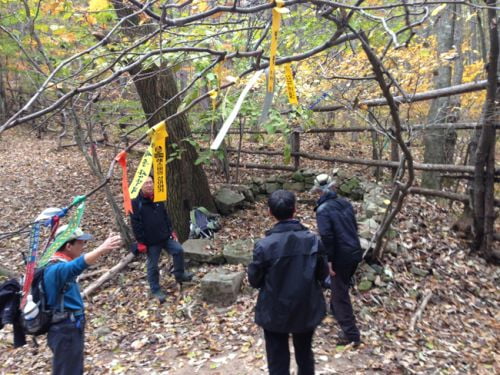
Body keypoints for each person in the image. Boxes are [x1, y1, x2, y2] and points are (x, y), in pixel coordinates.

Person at [248, 190, 328, 375]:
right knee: (305, 354)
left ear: (270, 212)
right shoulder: (313, 241)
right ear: (295, 209)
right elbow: (322, 274)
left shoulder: (264, 245)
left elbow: (255, 279)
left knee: (277, 360)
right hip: (306, 306)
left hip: (274, 309)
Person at [44, 225, 122, 375]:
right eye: (80, 242)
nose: (83, 246)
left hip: (70, 327)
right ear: (68, 246)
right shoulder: (56, 268)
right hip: (64, 329)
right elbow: (77, 265)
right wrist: (101, 249)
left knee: (73, 368)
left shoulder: (60, 262)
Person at [311, 173, 363, 347]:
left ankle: (351, 334)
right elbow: (354, 228)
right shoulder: (345, 203)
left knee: (340, 293)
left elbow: (327, 236)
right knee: (339, 285)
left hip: (341, 256)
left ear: (320, 191)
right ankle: (334, 310)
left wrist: (330, 261)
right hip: (354, 251)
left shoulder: (322, 210)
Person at [130, 176, 193, 303]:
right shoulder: (136, 202)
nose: (149, 185)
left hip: (164, 236)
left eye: (150, 182)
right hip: (150, 242)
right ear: (140, 186)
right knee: (152, 265)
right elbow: (135, 224)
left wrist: (171, 231)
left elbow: (165, 215)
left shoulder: (158, 197)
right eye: (145, 183)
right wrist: (141, 241)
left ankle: (180, 275)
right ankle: (155, 289)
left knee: (178, 250)